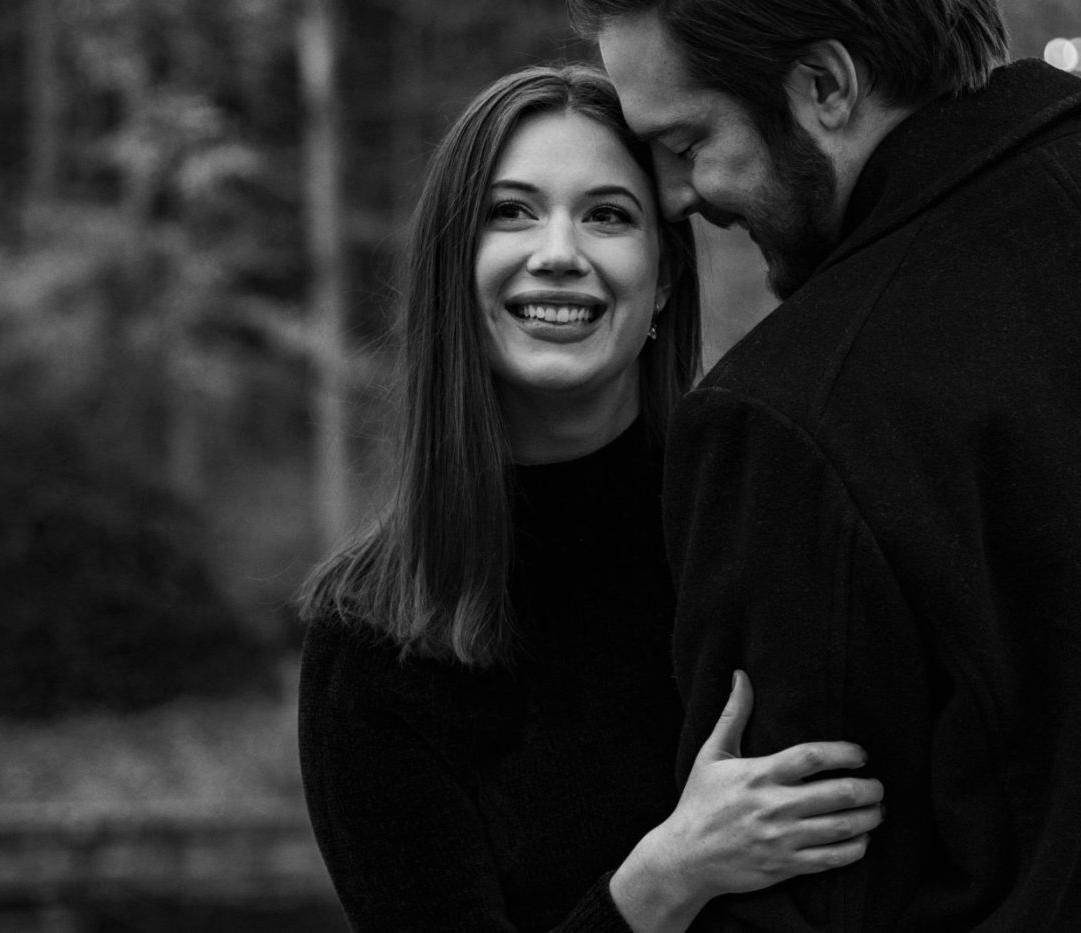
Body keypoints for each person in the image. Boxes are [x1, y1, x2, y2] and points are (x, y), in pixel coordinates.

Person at [569, 0, 1081, 929]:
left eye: (686, 142)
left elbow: (810, 902)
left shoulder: (791, 415)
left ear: (826, 87)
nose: (679, 195)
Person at [296, 64, 886, 933]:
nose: (560, 253)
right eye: (511, 212)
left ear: (666, 275)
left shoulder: (769, 523)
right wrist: (665, 877)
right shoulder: (372, 640)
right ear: (453, 269)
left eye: (608, 214)